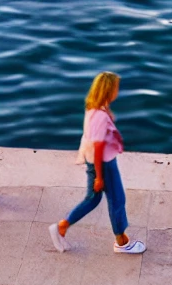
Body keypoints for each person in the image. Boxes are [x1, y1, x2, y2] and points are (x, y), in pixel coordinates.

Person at [49, 71, 145, 255]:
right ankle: (121, 241)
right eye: (116, 87)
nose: (118, 91)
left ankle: (62, 226)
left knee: (93, 199)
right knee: (117, 200)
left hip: (98, 162)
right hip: (104, 165)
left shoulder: (94, 108)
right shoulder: (100, 116)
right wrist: (99, 176)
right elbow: (99, 146)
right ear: (109, 90)